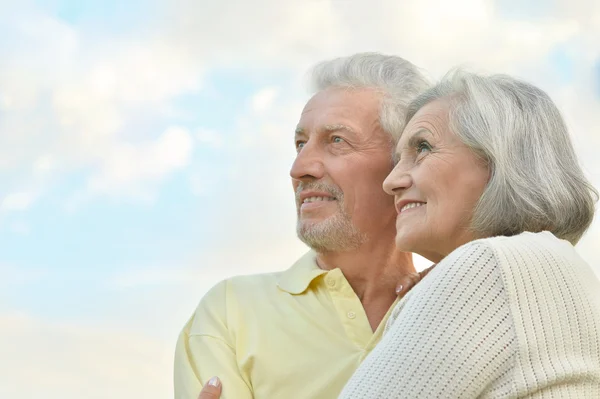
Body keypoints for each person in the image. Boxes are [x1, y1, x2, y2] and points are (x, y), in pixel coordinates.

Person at [174, 53, 431, 399]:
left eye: (336, 141)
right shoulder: (230, 311)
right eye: (300, 144)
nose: (299, 167)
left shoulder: (457, 306)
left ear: (403, 164)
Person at [337, 71, 600, 397]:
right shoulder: (556, 268)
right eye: (397, 159)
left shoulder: (489, 265)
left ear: (500, 161)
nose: (391, 181)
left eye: (422, 147)